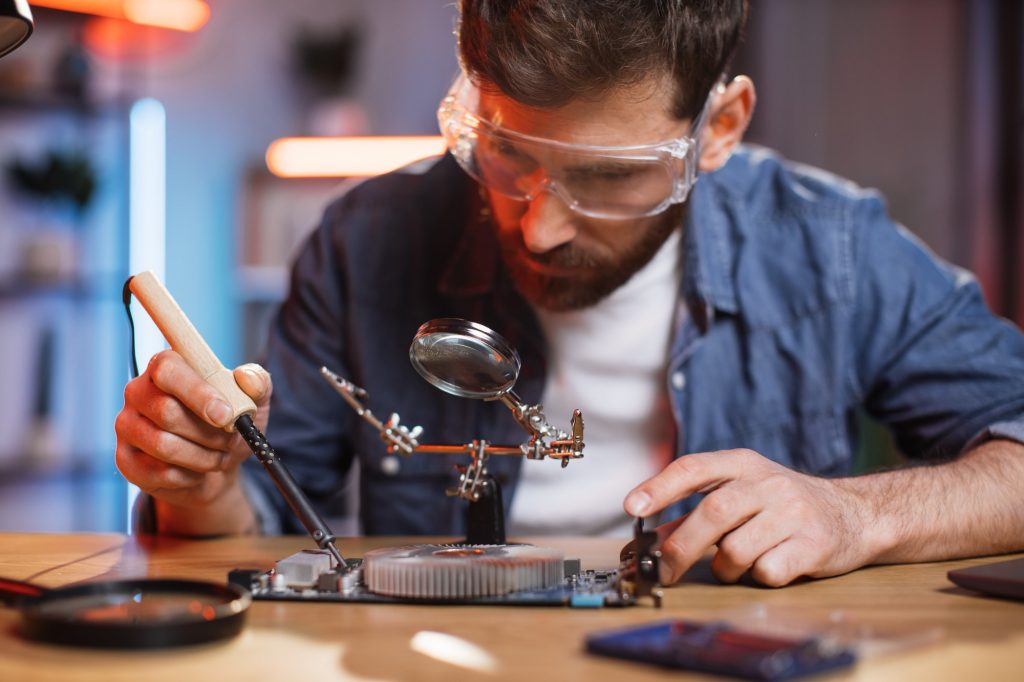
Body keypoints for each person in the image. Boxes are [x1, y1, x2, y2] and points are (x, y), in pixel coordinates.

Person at [114, 0, 1024, 587]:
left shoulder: (831, 246)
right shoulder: (367, 239)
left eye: (603, 176)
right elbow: (264, 524)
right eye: (506, 154)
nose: (540, 226)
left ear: (720, 128)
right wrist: (197, 479)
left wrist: (856, 512)